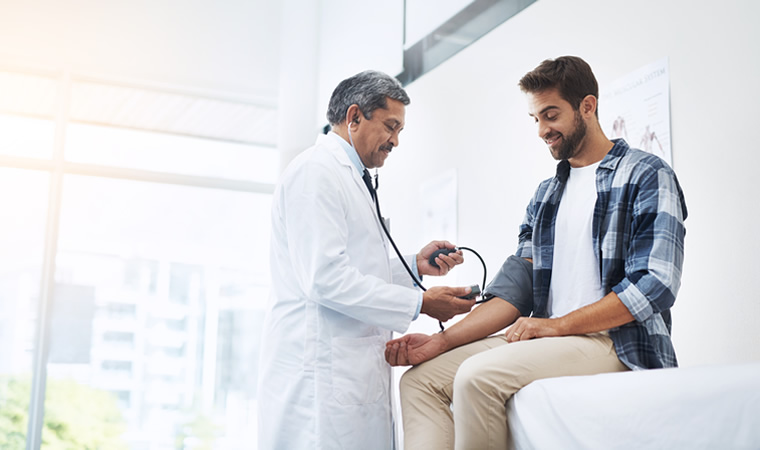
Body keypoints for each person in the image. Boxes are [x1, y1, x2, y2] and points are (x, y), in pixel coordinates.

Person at [385, 56, 688, 450]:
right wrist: (440, 343)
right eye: (536, 119)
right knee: (420, 381)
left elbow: (654, 286)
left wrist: (556, 326)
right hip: (551, 338)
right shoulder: (546, 196)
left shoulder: (646, 174)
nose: (543, 130)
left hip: (617, 341)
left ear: (588, 106)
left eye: (551, 115)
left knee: (476, 378)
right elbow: (516, 292)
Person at [257, 70, 476, 450]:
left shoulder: (350, 176)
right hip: (318, 383)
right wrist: (422, 302)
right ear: (354, 116)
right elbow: (324, 278)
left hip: (348, 374)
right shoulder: (316, 172)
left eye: (400, 131)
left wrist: (414, 266)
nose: (395, 141)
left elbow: (354, 267)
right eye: (391, 126)